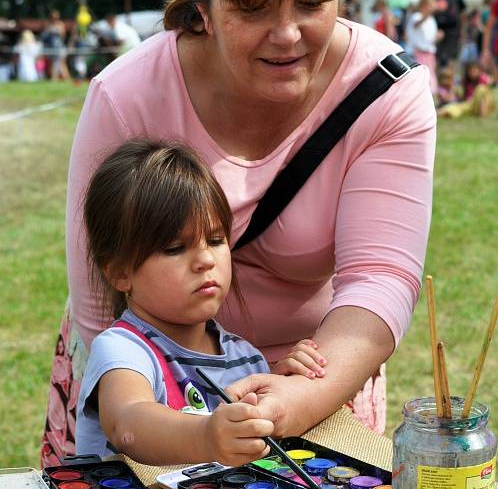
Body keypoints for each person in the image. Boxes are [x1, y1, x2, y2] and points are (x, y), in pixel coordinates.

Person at [42, 0, 436, 467]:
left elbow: (379, 277)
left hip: (316, 379)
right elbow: (100, 312)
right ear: (204, 8)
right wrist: (186, 427)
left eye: (311, 4)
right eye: (252, 9)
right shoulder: (125, 95)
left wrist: (305, 391)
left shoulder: (385, 93)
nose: (287, 34)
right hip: (153, 394)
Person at [76, 138, 326, 465]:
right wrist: (205, 436)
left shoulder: (246, 359)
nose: (205, 259)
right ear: (121, 273)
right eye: (175, 248)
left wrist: (282, 385)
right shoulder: (123, 350)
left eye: (216, 239)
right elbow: (129, 422)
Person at [405, 0, 439, 97]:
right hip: (417, 53)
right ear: (424, 5)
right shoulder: (416, 16)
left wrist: (438, 37)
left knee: (430, 76)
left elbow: (431, 39)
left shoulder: (432, 20)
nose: (432, 8)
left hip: (429, 53)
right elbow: (416, 25)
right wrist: (426, 16)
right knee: (420, 78)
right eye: (430, 6)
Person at [433, 0, 466, 67]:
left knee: (450, 55)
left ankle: (448, 77)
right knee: (439, 54)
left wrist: (462, 30)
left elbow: (463, 13)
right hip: (440, 28)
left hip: (453, 29)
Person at [41, 11, 70, 80]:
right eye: (53, 17)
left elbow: (63, 36)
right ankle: (55, 78)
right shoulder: (48, 25)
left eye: (56, 18)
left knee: (61, 63)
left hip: (60, 47)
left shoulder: (61, 24)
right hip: (52, 48)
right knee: (54, 64)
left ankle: (64, 78)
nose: (54, 19)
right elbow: (44, 37)